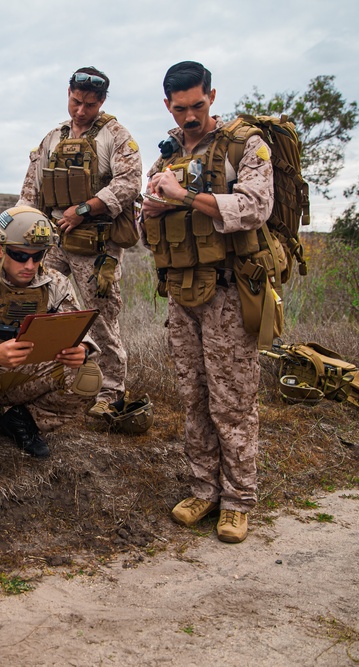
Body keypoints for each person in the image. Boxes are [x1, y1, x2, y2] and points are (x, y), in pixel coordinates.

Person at [140, 61, 275, 544]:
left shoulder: (245, 145)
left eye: (198, 105)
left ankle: (239, 501)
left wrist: (185, 195)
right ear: (167, 106)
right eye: (181, 109)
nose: (190, 116)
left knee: (233, 400)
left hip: (228, 294)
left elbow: (256, 207)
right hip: (181, 295)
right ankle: (203, 489)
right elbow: (149, 230)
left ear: (212, 96)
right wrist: (152, 208)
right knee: (193, 397)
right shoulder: (164, 159)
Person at [0, 206, 103, 465]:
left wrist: (82, 351)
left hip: (24, 373)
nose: (30, 265)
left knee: (88, 377)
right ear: (0, 249)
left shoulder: (54, 282)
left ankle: (23, 420)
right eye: (20, 256)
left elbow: (78, 329)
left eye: (38, 257)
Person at [17, 67, 142, 420]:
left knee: (100, 317)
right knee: (35, 304)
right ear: (68, 94)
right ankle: (40, 378)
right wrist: (24, 232)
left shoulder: (115, 136)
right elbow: (31, 190)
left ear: (102, 101)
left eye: (89, 104)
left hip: (97, 243)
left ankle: (109, 392)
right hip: (53, 238)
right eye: (75, 102)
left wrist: (83, 210)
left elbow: (130, 182)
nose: (80, 111)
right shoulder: (52, 139)